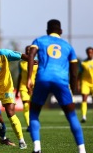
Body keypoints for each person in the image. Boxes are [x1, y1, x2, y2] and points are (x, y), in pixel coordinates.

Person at [27, 19, 86, 153]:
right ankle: (82, 150)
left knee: (34, 113)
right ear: (61, 31)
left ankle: (37, 148)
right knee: (71, 116)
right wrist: (73, 89)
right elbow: (74, 72)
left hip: (42, 79)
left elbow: (31, 55)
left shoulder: (39, 40)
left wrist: (29, 78)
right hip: (61, 81)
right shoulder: (68, 46)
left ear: (47, 31)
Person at [15, 45, 38, 132]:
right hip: (23, 86)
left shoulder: (37, 62)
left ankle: (34, 123)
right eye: (27, 50)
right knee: (26, 105)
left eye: (30, 50)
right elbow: (20, 76)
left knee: (34, 107)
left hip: (35, 87)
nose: (28, 52)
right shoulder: (21, 63)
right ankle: (29, 125)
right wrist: (17, 91)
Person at [78, 46, 93, 123]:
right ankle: (84, 116)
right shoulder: (83, 63)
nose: (89, 54)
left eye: (91, 52)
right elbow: (79, 74)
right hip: (85, 82)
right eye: (88, 52)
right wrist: (78, 84)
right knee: (84, 98)